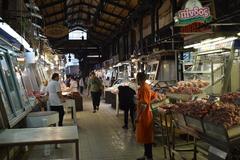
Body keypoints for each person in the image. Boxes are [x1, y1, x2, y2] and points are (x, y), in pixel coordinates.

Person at [135, 72, 158, 160]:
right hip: (146, 113)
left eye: (137, 79)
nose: (137, 80)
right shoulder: (146, 86)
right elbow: (154, 96)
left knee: (147, 138)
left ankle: (149, 157)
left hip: (145, 115)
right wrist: (149, 103)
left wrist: (138, 117)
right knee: (145, 137)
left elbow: (144, 104)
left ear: (140, 79)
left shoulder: (144, 88)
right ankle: (146, 155)